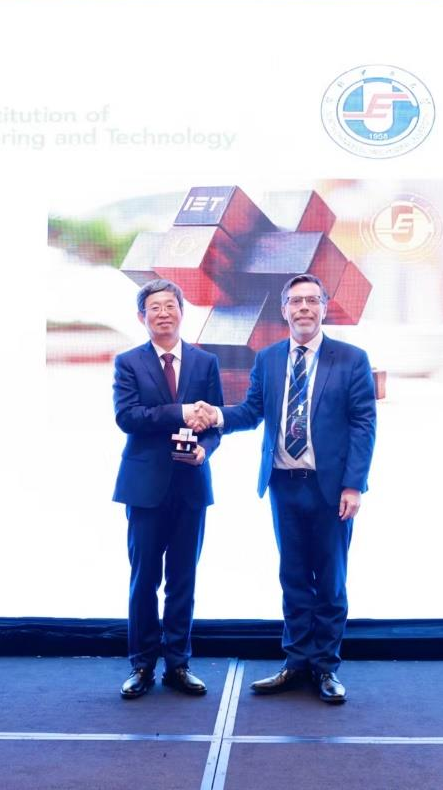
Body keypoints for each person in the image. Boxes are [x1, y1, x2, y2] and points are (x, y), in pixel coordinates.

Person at [197, 273, 376, 703]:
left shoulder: (351, 359)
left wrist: (353, 485)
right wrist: (216, 416)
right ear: (284, 310)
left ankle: (325, 668)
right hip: (283, 485)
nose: (304, 308)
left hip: (331, 489)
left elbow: (363, 425)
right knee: (293, 577)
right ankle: (296, 662)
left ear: (324, 307)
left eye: (312, 300)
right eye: (296, 301)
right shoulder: (269, 358)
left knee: (330, 581)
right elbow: (251, 411)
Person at [113, 279, 223, 699]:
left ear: (181, 311)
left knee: (183, 578)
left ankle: (178, 663)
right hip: (144, 488)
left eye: (170, 305)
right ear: (142, 317)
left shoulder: (205, 362)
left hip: (191, 485)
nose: (163, 313)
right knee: (144, 579)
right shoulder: (128, 362)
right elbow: (128, 417)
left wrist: (206, 449)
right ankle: (141, 664)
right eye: (154, 307)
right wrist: (180, 411)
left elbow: (215, 422)